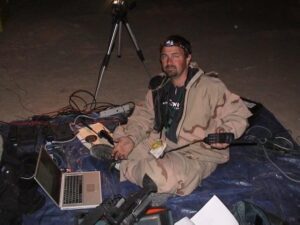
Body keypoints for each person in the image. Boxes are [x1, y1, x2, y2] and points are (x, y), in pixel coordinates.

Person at [112, 35, 252, 195]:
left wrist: (226, 131)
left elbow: (238, 115)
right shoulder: (159, 86)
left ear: (188, 58)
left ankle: (126, 166)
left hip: (197, 153)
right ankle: (132, 163)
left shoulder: (210, 87)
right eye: (164, 56)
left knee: (158, 179)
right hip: (161, 142)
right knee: (121, 144)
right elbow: (144, 115)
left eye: (175, 56)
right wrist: (131, 139)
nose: (169, 61)